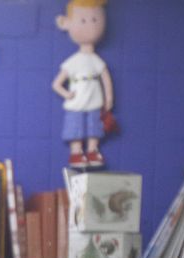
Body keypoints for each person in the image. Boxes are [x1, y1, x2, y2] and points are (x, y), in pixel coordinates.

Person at [52, 0, 114, 169]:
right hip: (77, 100)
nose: (91, 25)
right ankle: (76, 152)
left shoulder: (96, 60)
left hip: (94, 98)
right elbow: (56, 84)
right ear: (65, 23)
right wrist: (66, 94)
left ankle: (93, 150)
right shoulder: (72, 61)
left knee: (95, 124)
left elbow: (105, 78)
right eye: (84, 21)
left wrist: (109, 97)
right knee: (75, 124)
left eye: (95, 20)